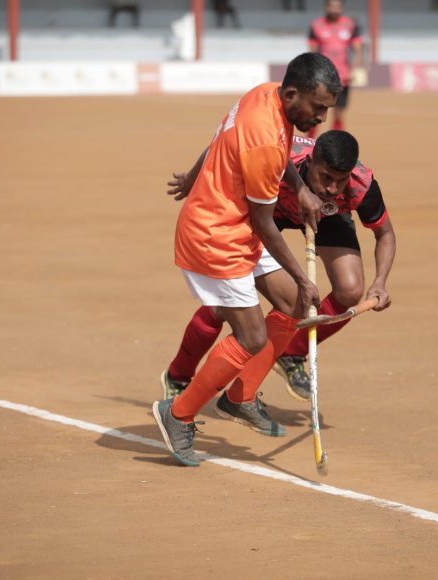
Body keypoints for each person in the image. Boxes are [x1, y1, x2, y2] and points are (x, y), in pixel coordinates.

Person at [152, 52, 342, 467]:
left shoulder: (265, 95)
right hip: (217, 237)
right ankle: (178, 412)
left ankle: (239, 397)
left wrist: (301, 189)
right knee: (254, 336)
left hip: (233, 224)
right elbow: (264, 222)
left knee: (291, 302)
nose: (322, 119)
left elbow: (237, 145)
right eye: (318, 108)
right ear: (293, 94)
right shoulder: (265, 138)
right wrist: (303, 276)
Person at [161, 130, 395, 404]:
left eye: (340, 181)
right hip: (268, 211)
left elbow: (385, 234)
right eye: (325, 177)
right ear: (311, 162)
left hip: (328, 215)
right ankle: (178, 375)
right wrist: (192, 177)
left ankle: (291, 354)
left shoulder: (360, 184)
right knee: (224, 304)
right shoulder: (284, 158)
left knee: (350, 290)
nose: (332, 188)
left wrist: (380, 281)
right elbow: (221, 145)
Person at [307, 0, 363, 137]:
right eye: (331, 6)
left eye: (337, 6)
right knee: (316, 111)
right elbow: (312, 52)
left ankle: (335, 143)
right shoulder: (316, 25)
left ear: (342, 8)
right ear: (326, 7)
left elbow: (358, 50)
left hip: (343, 76)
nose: (334, 9)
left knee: (339, 112)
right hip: (322, 78)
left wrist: (353, 70)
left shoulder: (350, 25)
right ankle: (309, 143)